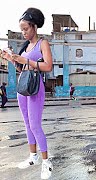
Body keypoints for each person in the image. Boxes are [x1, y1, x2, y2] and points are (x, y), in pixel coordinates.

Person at [1, 7, 53, 179]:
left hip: (35, 87)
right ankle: (33, 157)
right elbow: (23, 67)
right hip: (23, 87)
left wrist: (26, 60)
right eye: (21, 29)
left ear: (34, 27)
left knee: (35, 125)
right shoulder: (25, 46)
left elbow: (48, 66)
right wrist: (12, 59)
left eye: (26, 29)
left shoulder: (42, 43)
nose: (23, 32)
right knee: (27, 124)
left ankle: (46, 163)